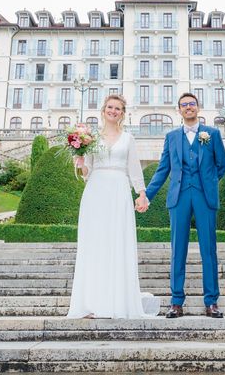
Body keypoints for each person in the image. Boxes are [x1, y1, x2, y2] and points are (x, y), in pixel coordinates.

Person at [67, 94, 159, 319]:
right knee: (94, 244)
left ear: (123, 113)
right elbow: (87, 172)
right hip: (95, 192)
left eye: (118, 108)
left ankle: (117, 302)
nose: (113, 111)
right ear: (103, 110)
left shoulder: (128, 138)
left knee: (117, 243)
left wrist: (141, 194)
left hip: (119, 191)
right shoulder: (90, 138)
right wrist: (79, 163)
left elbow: (134, 169)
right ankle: (90, 302)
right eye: (110, 107)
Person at [140, 92, 225, 318]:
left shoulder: (212, 134)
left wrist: (207, 182)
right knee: (177, 250)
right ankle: (176, 302)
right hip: (178, 197)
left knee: (208, 250)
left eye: (192, 104)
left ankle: (211, 302)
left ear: (198, 108)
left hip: (204, 197)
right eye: (184, 105)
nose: (188, 107)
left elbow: (222, 165)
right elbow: (162, 170)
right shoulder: (171, 137)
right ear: (178, 110)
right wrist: (147, 195)